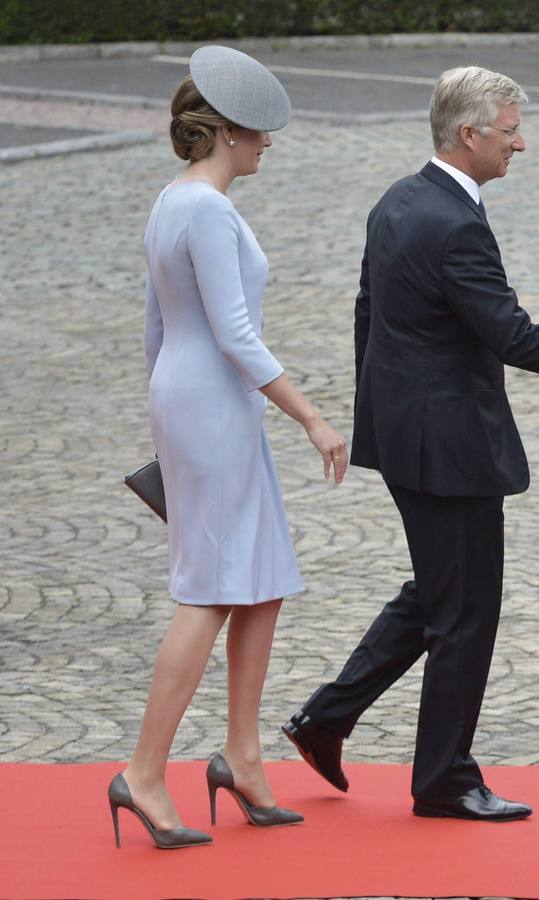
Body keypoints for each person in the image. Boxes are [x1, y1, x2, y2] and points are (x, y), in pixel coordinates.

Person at [282, 66, 539, 821]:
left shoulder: (398, 201)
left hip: (410, 439)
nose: (520, 145)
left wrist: (381, 424)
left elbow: (368, 318)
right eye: (508, 132)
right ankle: (442, 780)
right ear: (468, 135)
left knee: (438, 592)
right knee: (465, 610)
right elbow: (510, 334)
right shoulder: (453, 221)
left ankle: (327, 718)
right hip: (449, 447)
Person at [109, 46, 348, 849]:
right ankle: (144, 772)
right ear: (228, 134)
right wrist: (312, 417)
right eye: (260, 134)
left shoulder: (173, 201)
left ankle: (242, 758)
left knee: (260, 582)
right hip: (211, 401)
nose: (267, 146)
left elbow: (154, 327)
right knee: (209, 590)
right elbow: (236, 336)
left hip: (196, 399)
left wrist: (165, 413)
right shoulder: (205, 210)